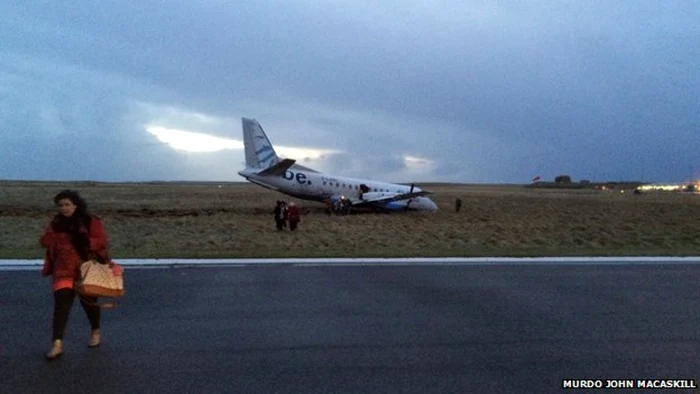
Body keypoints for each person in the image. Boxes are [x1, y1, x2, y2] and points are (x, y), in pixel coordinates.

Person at [40, 189, 110, 360]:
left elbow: (101, 241)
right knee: (61, 305)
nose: (64, 208)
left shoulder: (89, 220)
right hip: (62, 270)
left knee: (89, 303)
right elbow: (44, 242)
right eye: (60, 205)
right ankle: (57, 344)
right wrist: (51, 237)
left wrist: (86, 241)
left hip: (85, 269)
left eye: (67, 204)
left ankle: (95, 330)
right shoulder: (56, 223)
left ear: (76, 205)